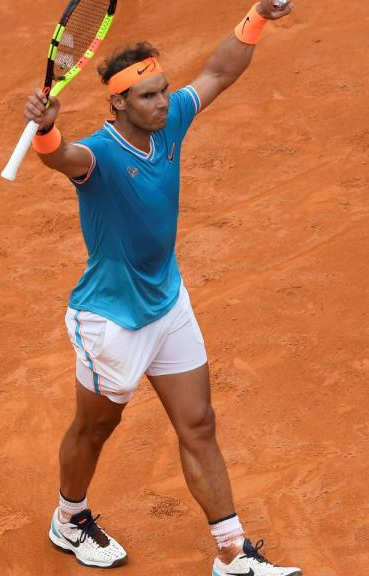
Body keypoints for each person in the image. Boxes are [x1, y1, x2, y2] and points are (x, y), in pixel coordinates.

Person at [21, 2, 302, 574]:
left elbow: (220, 71)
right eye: (148, 96)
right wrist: (47, 132)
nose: (163, 103)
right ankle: (70, 518)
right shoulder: (98, 155)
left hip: (167, 303)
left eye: (164, 91)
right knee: (95, 427)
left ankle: (232, 553)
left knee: (198, 422)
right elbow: (61, 160)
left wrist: (258, 16)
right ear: (118, 102)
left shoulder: (170, 121)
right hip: (110, 321)